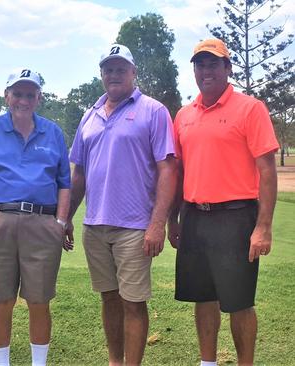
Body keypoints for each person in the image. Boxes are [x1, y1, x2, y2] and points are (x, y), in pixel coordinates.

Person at [168, 38, 279, 366]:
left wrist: (263, 227)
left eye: (213, 63)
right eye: (200, 64)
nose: (206, 70)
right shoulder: (184, 115)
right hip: (195, 217)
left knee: (239, 302)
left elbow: (267, 170)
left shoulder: (250, 108)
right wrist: (172, 219)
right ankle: (208, 362)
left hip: (236, 217)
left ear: (227, 68)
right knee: (203, 298)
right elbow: (179, 171)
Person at [67, 44, 177, 365]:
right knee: (110, 299)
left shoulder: (153, 111)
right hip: (95, 225)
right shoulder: (90, 116)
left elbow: (167, 170)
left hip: (135, 227)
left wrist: (158, 224)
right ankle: (115, 361)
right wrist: (66, 219)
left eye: (120, 68)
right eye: (108, 69)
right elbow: (80, 174)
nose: (114, 74)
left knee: (133, 302)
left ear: (133, 73)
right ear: (102, 74)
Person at [0, 68, 70, 366]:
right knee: (1, 301)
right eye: (17, 93)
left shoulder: (52, 132)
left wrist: (61, 222)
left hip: (42, 222)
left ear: (38, 98)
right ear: (6, 96)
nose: (23, 100)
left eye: (30, 94)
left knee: (39, 301)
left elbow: (64, 182)